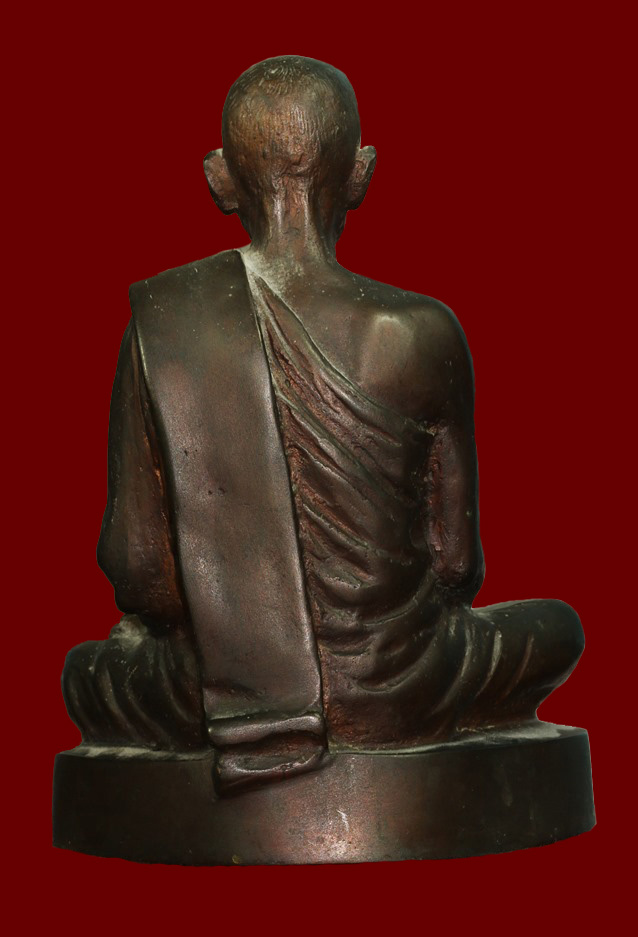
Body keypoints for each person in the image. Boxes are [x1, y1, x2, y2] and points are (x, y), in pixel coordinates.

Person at [63, 55, 584, 793]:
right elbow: (456, 567)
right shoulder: (421, 330)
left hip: (210, 696)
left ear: (219, 177)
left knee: (84, 672)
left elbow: (140, 572)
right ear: (361, 172)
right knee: (560, 629)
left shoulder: (166, 327)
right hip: (405, 681)